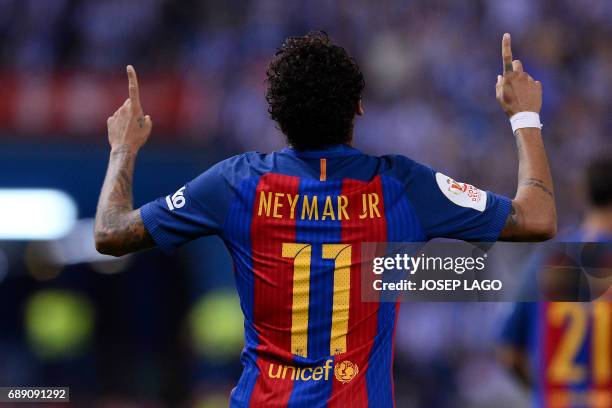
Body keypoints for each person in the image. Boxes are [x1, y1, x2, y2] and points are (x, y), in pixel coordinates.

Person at [94, 32, 556, 407]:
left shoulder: (234, 183)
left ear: (277, 114)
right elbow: (536, 219)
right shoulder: (402, 187)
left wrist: (123, 149)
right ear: (357, 107)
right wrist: (525, 117)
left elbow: (111, 233)